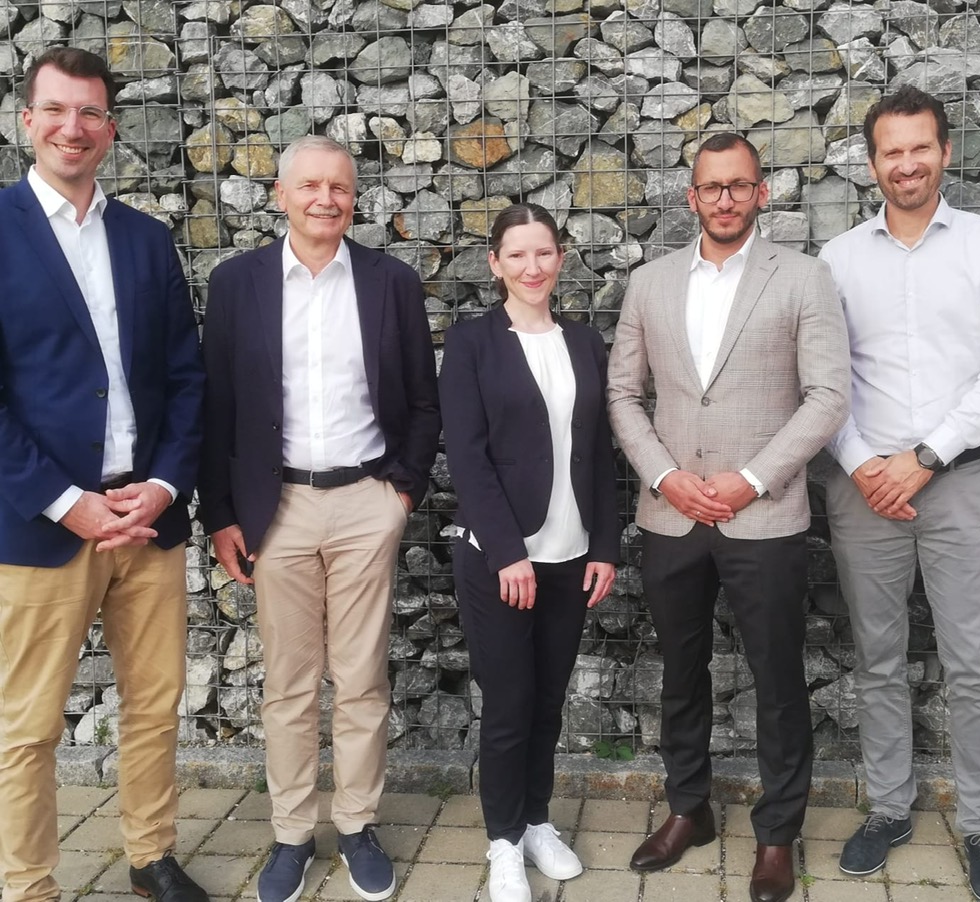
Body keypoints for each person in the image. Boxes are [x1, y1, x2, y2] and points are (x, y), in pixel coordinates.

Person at [608, 133, 851, 902]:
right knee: (680, 674)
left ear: (760, 192)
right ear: (692, 196)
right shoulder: (649, 284)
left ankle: (777, 833)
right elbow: (623, 394)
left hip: (765, 517)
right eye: (711, 187)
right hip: (671, 514)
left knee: (777, 680)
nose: (724, 199)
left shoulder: (804, 279)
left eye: (738, 185)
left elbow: (828, 396)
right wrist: (666, 476)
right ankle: (689, 809)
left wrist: (750, 481)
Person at [198, 135, 440, 902]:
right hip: (278, 508)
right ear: (280, 195)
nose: (325, 199)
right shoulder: (236, 284)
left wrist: (400, 495)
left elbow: (423, 401)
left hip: (367, 500)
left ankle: (358, 823)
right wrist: (222, 513)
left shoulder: (389, 282)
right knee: (289, 683)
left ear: (354, 198)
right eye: (310, 186)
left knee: (363, 678)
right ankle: (292, 834)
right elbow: (217, 406)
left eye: (339, 187)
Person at [0, 48, 207, 902]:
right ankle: (28, 884)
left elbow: (186, 377)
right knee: (28, 725)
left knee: (155, 704)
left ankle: (151, 856)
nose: (72, 128)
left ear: (111, 129)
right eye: (55, 110)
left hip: (147, 515)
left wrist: (164, 485)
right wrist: (66, 502)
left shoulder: (145, 239)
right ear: (26, 120)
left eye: (89, 112)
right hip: (41, 522)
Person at [818, 86, 980, 902]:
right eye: (891, 151)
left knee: (973, 665)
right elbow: (824, 377)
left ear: (944, 152)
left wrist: (924, 457)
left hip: (960, 484)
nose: (905, 164)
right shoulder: (839, 259)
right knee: (877, 660)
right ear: (871, 162)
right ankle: (889, 808)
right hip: (863, 489)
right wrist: (862, 463)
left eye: (919, 148)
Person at [439, 203, 619, 902]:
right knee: (510, 705)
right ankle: (503, 842)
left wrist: (604, 545)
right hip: (501, 561)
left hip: (572, 555)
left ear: (561, 258)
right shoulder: (471, 344)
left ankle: (538, 820)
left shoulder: (585, 343)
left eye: (543, 252)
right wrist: (508, 551)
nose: (532, 266)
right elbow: (468, 456)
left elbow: (597, 451)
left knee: (547, 702)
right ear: (495, 264)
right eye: (516, 254)